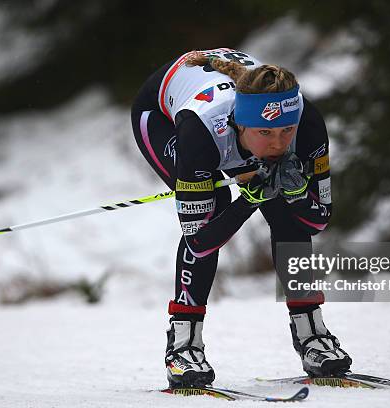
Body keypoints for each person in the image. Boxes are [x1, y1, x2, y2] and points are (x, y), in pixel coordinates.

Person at [131, 48, 351, 388]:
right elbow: (199, 241)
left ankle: (311, 335)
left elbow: (317, 221)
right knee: (216, 203)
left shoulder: (307, 125)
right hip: (159, 114)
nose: (278, 144)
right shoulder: (201, 131)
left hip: (230, 126)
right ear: (241, 121)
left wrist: (294, 194)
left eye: (285, 131)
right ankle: (183, 346)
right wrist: (248, 199)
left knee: (284, 210)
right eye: (266, 133)